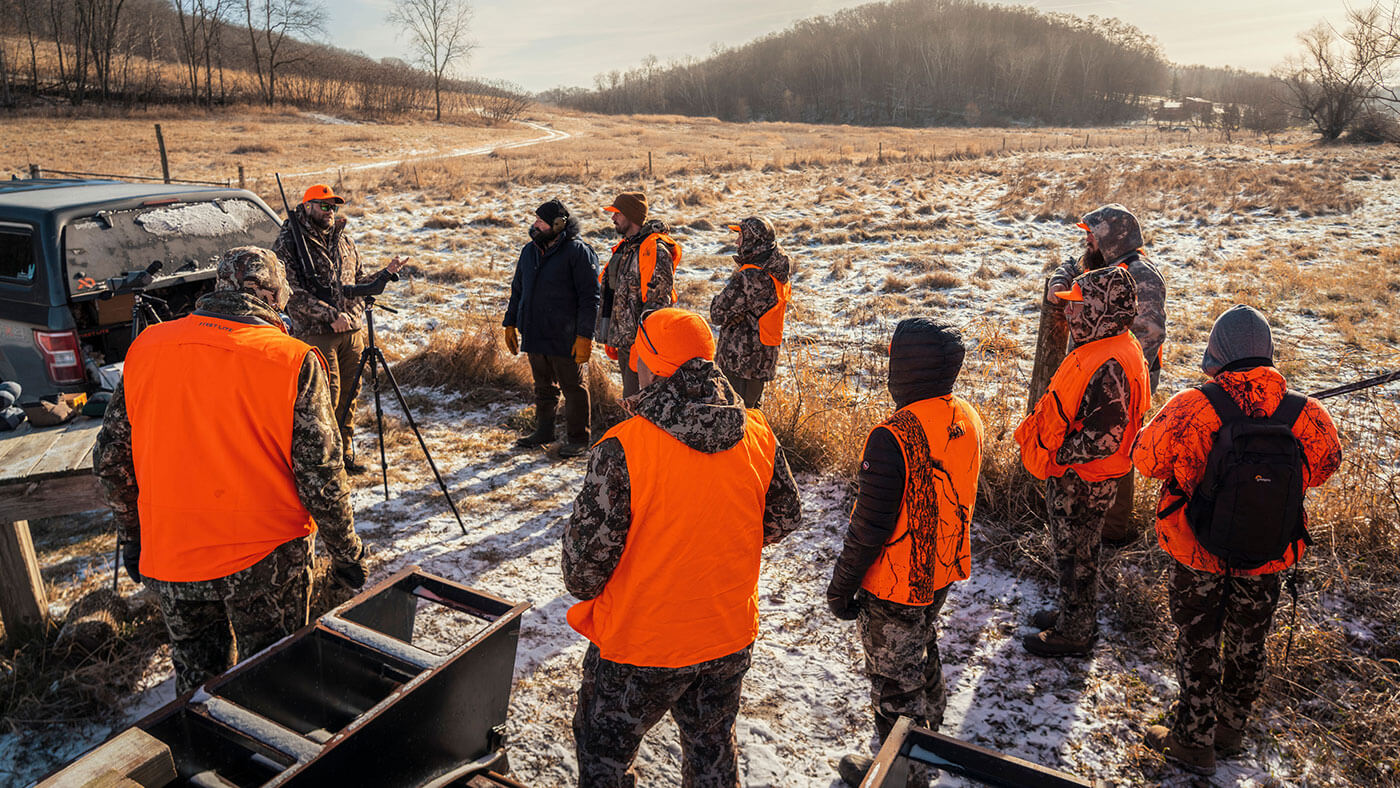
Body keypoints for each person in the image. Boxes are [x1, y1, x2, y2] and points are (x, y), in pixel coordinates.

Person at [94, 246, 367, 695]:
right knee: (275, 685)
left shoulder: (148, 347)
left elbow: (110, 461)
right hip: (268, 561)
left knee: (198, 692)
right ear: (272, 295)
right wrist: (346, 552)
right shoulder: (292, 359)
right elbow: (320, 475)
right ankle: (274, 762)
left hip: (173, 554)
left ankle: (207, 759)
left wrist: (135, 535)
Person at [562, 307, 802, 788]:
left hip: (641, 645)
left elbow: (582, 573)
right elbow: (784, 517)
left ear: (648, 365)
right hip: (727, 635)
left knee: (602, 756)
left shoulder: (624, 447)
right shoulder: (757, 432)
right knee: (712, 753)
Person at [1133, 304, 1341, 776]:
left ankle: (1193, 740)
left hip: (1196, 551)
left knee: (1198, 644)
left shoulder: (1190, 407)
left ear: (1216, 352)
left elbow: (1145, 459)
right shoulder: (1304, 412)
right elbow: (1327, 465)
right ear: (1268, 352)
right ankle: (1231, 729)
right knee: (1249, 643)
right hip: (1268, 554)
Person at [825, 319, 984, 788]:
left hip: (895, 584)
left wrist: (841, 589)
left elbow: (869, 528)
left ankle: (902, 775)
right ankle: (932, 742)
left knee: (895, 686)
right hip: (942, 571)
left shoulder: (892, 436)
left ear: (906, 367)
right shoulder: (965, 417)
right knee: (921, 647)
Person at [1015, 265, 1149, 657]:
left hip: (1083, 479)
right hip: (1080, 475)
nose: (1070, 313)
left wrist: (1058, 455)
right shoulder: (1111, 346)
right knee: (1074, 553)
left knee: (1077, 556)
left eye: (1078, 306)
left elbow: (1105, 438)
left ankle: (1075, 632)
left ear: (1102, 311)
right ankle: (1071, 614)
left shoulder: (1110, 362)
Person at [1047, 204, 1167, 546]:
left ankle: (1112, 532)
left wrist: (1112, 377)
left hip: (1121, 381)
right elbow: (1061, 290)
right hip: (1097, 376)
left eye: (1092, 236)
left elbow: (1149, 332)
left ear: (1112, 238)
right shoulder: (1105, 269)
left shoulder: (1140, 275)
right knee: (1092, 447)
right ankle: (1085, 517)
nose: (1087, 242)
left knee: (1118, 451)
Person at [273, 183, 406, 473]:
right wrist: (330, 314)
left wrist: (384, 274)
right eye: (324, 205)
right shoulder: (289, 242)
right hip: (316, 333)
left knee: (349, 395)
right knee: (324, 400)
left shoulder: (344, 239)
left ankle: (344, 454)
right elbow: (289, 291)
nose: (330, 211)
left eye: (333, 206)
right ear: (307, 206)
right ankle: (323, 463)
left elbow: (355, 282)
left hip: (351, 332)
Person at [503, 198, 601, 457]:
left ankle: (579, 439)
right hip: (534, 332)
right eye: (535, 220)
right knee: (543, 387)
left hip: (564, 335)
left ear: (558, 225)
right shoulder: (529, 251)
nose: (535, 225)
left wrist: (584, 336)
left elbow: (590, 297)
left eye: (541, 222)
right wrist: (510, 323)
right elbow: (517, 290)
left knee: (573, 388)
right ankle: (544, 432)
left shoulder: (578, 252)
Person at [596, 191, 680, 398]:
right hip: (625, 341)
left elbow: (659, 303)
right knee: (631, 400)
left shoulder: (655, 250)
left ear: (630, 215)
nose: (613, 218)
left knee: (640, 403)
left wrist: (643, 346)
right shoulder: (627, 248)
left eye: (617, 213)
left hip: (643, 348)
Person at [709, 217, 792, 408]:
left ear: (753, 240)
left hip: (740, 361)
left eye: (741, 236)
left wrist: (735, 314)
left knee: (735, 418)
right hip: (763, 358)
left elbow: (717, 312)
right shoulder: (777, 270)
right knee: (753, 415)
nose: (737, 242)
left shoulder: (751, 276)